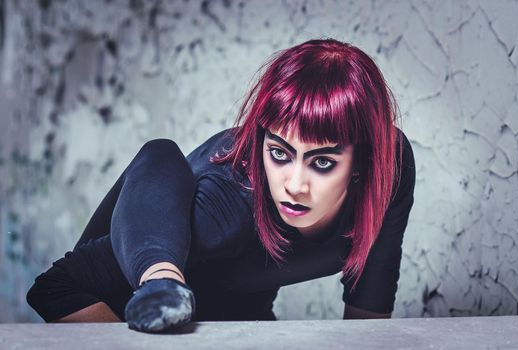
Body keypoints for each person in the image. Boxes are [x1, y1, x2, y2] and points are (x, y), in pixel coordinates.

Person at [26, 38, 415, 332]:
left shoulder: (389, 169)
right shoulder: (224, 209)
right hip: (133, 318)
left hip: (239, 318)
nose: (295, 185)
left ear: (364, 162)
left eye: (323, 162)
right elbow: (56, 287)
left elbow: (369, 313)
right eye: (279, 153)